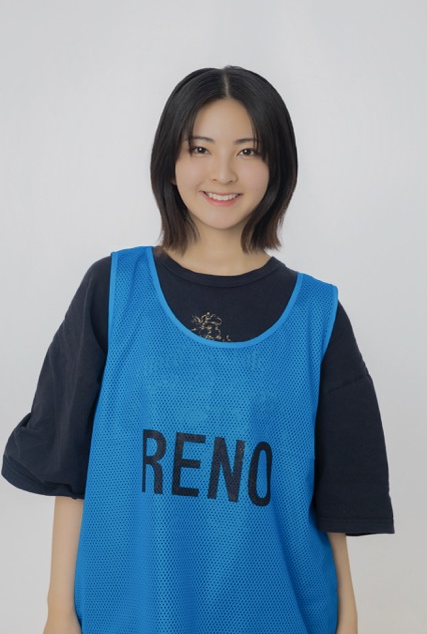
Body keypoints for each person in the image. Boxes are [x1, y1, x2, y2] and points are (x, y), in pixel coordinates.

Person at [2, 65, 394, 634]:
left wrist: (348, 620)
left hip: (275, 615)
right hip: (131, 615)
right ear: (170, 160)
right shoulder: (113, 291)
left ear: (277, 164)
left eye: (248, 151)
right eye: (200, 148)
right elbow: (71, 469)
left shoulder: (317, 316)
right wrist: (58, 613)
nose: (223, 172)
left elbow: (333, 503)